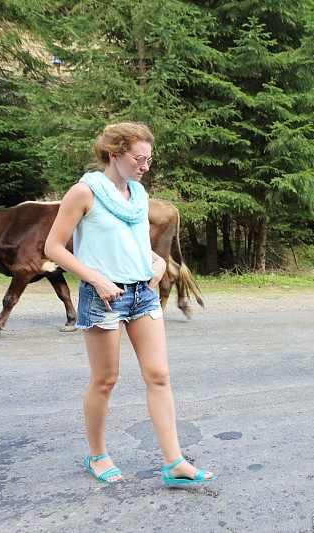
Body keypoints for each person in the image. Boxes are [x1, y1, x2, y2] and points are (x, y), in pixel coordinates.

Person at [45, 122, 214, 486]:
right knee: (105, 379)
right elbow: (53, 247)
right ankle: (97, 455)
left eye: (149, 160)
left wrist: (155, 262)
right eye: (139, 159)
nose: (145, 166)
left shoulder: (137, 193)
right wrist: (95, 278)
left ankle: (174, 463)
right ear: (114, 153)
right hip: (103, 297)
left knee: (159, 376)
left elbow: (135, 244)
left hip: (142, 295)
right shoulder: (84, 191)